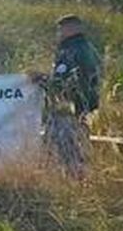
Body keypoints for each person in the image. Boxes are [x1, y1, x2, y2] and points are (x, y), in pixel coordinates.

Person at [34, 14, 102, 173]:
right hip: (85, 109)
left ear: (70, 29)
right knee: (80, 152)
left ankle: (72, 183)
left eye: (61, 29)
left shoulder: (71, 51)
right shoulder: (88, 48)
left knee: (66, 154)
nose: (59, 34)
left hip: (69, 111)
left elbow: (63, 83)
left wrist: (41, 80)